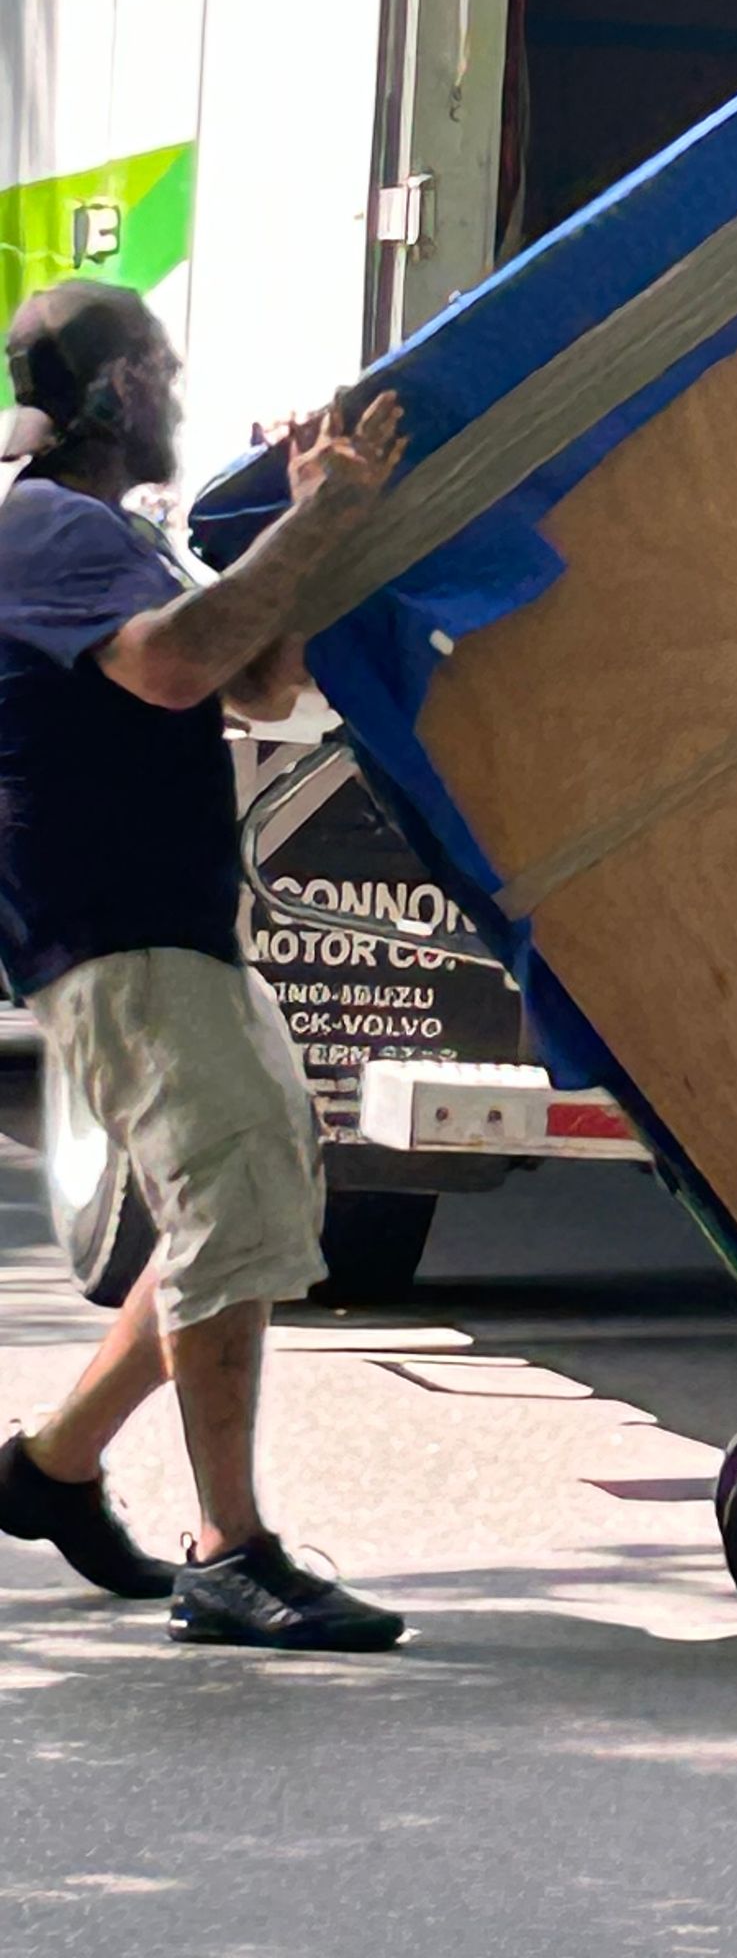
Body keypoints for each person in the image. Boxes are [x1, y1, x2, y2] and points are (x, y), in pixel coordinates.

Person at [0, 281, 409, 1650]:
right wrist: (325, 513)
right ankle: (230, 1550)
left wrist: (312, 512)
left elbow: (257, 680)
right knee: (231, 1212)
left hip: (169, 927)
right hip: (117, 936)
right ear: (113, 389)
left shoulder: (106, 535)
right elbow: (176, 671)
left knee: (241, 1201)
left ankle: (53, 1469)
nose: (174, 395)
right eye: (159, 372)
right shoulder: (44, 527)